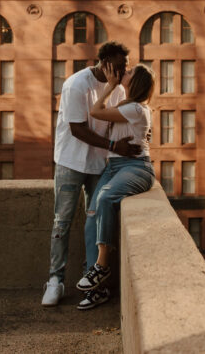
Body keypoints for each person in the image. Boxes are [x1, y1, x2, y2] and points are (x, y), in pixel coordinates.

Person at [41, 41, 141, 307]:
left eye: (125, 68)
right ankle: (55, 280)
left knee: (95, 223)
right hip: (70, 163)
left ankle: (91, 281)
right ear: (104, 63)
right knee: (62, 222)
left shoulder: (118, 90)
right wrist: (112, 146)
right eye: (118, 67)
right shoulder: (76, 85)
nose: (121, 72)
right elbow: (78, 129)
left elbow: (118, 123)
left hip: (99, 166)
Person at [75, 63, 156, 311]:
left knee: (106, 199)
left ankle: (101, 267)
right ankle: (98, 290)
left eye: (129, 73)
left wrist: (110, 85)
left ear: (137, 82)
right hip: (113, 168)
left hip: (135, 167)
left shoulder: (134, 108)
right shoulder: (128, 107)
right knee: (91, 218)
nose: (125, 72)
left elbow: (95, 110)